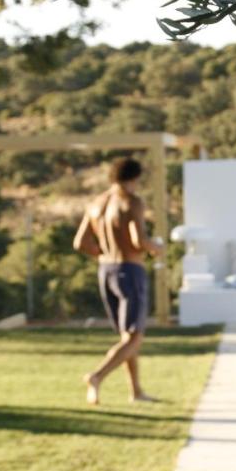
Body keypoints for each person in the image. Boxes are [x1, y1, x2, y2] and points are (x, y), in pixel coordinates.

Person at [73, 157, 164, 405]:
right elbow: (138, 241)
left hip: (106, 271)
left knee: (127, 337)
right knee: (135, 337)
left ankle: (136, 392)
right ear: (135, 178)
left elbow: (80, 243)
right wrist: (155, 248)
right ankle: (97, 376)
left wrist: (104, 254)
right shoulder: (132, 202)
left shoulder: (96, 203)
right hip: (129, 270)